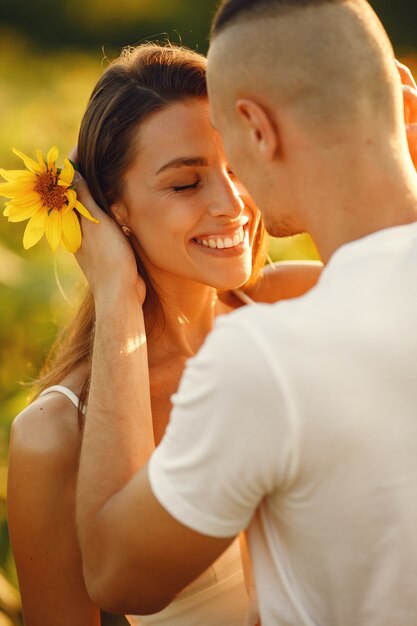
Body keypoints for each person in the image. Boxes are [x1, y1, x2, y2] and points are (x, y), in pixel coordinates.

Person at [71, 1, 417, 625]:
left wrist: (116, 294)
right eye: (187, 181)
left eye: (231, 152)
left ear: (257, 130)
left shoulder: (266, 356)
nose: (232, 200)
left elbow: (115, 576)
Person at [7, 43, 323, 626]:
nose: (233, 205)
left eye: (239, 167)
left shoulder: (299, 305)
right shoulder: (54, 438)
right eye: (185, 184)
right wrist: (116, 292)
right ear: (111, 209)